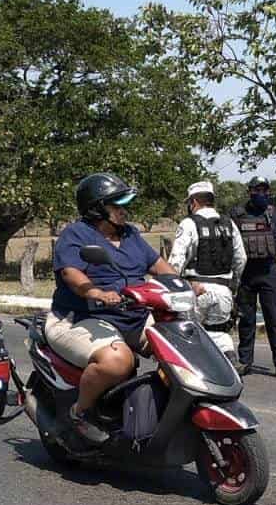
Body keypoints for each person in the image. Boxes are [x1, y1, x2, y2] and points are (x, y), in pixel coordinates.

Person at [46, 173, 178, 449]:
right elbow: (71, 274)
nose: (123, 209)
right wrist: (94, 292)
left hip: (133, 314)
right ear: (96, 208)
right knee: (118, 360)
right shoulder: (76, 235)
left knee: (180, 346)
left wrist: (183, 285)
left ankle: (164, 412)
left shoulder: (130, 234)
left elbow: (158, 265)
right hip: (80, 318)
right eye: (116, 204)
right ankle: (78, 412)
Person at [168, 181, 246, 364]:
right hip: (224, 292)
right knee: (220, 334)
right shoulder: (229, 224)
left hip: (196, 290)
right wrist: (232, 287)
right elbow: (241, 259)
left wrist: (173, 287)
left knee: (190, 337)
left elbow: (176, 261)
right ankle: (229, 364)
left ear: (193, 202)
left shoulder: (188, 223)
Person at [230, 176, 276, 380]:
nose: (261, 193)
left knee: (275, 320)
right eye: (256, 190)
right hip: (245, 276)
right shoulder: (237, 215)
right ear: (249, 191)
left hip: (269, 274)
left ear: (269, 191)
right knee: (246, 320)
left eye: (264, 190)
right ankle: (245, 362)